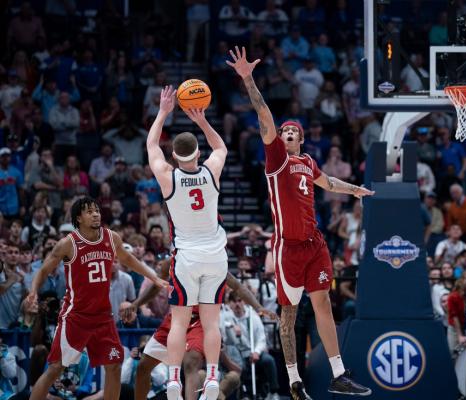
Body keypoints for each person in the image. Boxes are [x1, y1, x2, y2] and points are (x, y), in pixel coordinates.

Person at [227, 46, 372, 399]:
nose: (287, 133)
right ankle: (293, 379)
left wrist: (355, 190)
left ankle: (338, 373)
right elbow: (263, 114)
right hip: (287, 247)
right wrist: (248, 79)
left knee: (323, 303)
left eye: (293, 131)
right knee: (288, 315)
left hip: (315, 244)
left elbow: (329, 184)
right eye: (285, 131)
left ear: (302, 139)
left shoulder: (308, 163)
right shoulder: (276, 157)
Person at [26, 197, 168, 400]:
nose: (95, 214)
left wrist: (153, 276)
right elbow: (44, 270)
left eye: (97, 211)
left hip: (103, 317)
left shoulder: (111, 237)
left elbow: (128, 259)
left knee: (114, 365)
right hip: (76, 316)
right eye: (89, 211)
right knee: (56, 367)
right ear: (78, 218)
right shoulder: (68, 244)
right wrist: (33, 292)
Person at [146, 86, 228, 400]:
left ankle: (173, 382)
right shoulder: (211, 172)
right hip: (215, 257)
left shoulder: (168, 175)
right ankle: (211, 379)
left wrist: (164, 111)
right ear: (197, 153)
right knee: (211, 323)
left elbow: (152, 144)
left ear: (175, 155)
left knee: (179, 321)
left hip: (187, 259)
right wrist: (203, 121)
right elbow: (220, 148)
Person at [126, 266, 277, 400]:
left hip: (201, 320)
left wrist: (258, 307)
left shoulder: (214, 262)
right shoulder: (173, 260)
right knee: (143, 366)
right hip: (175, 319)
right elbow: (156, 286)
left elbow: (237, 286)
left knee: (192, 364)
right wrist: (136, 304)